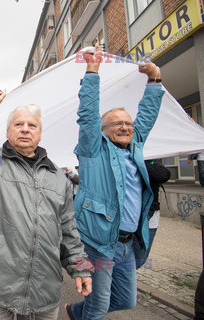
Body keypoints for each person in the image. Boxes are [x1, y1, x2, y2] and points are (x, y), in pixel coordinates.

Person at [0, 88, 92, 319]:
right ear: (8, 131)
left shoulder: (58, 178)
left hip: (44, 287)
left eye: (32, 126)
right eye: (18, 124)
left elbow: (69, 231)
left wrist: (81, 266)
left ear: (40, 134)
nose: (25, 129)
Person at [66, 44, 164, 320]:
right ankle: (83, 312)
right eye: (117, 123)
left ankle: (75, 311)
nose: (125, 127)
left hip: (128, 243)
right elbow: (87, 114)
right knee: (98, 305)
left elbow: (147, 114)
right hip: (98, 242)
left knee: (126, 299)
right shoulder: (92, 149)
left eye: (128, 124)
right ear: (103, 130)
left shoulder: (135, 146)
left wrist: (154, 79)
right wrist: (92, 70)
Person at [132, 159, 170, 269]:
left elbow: (163, 175)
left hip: (150, 216)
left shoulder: (152, 160)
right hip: (130, 216)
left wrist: (139, 162)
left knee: (141, 258)